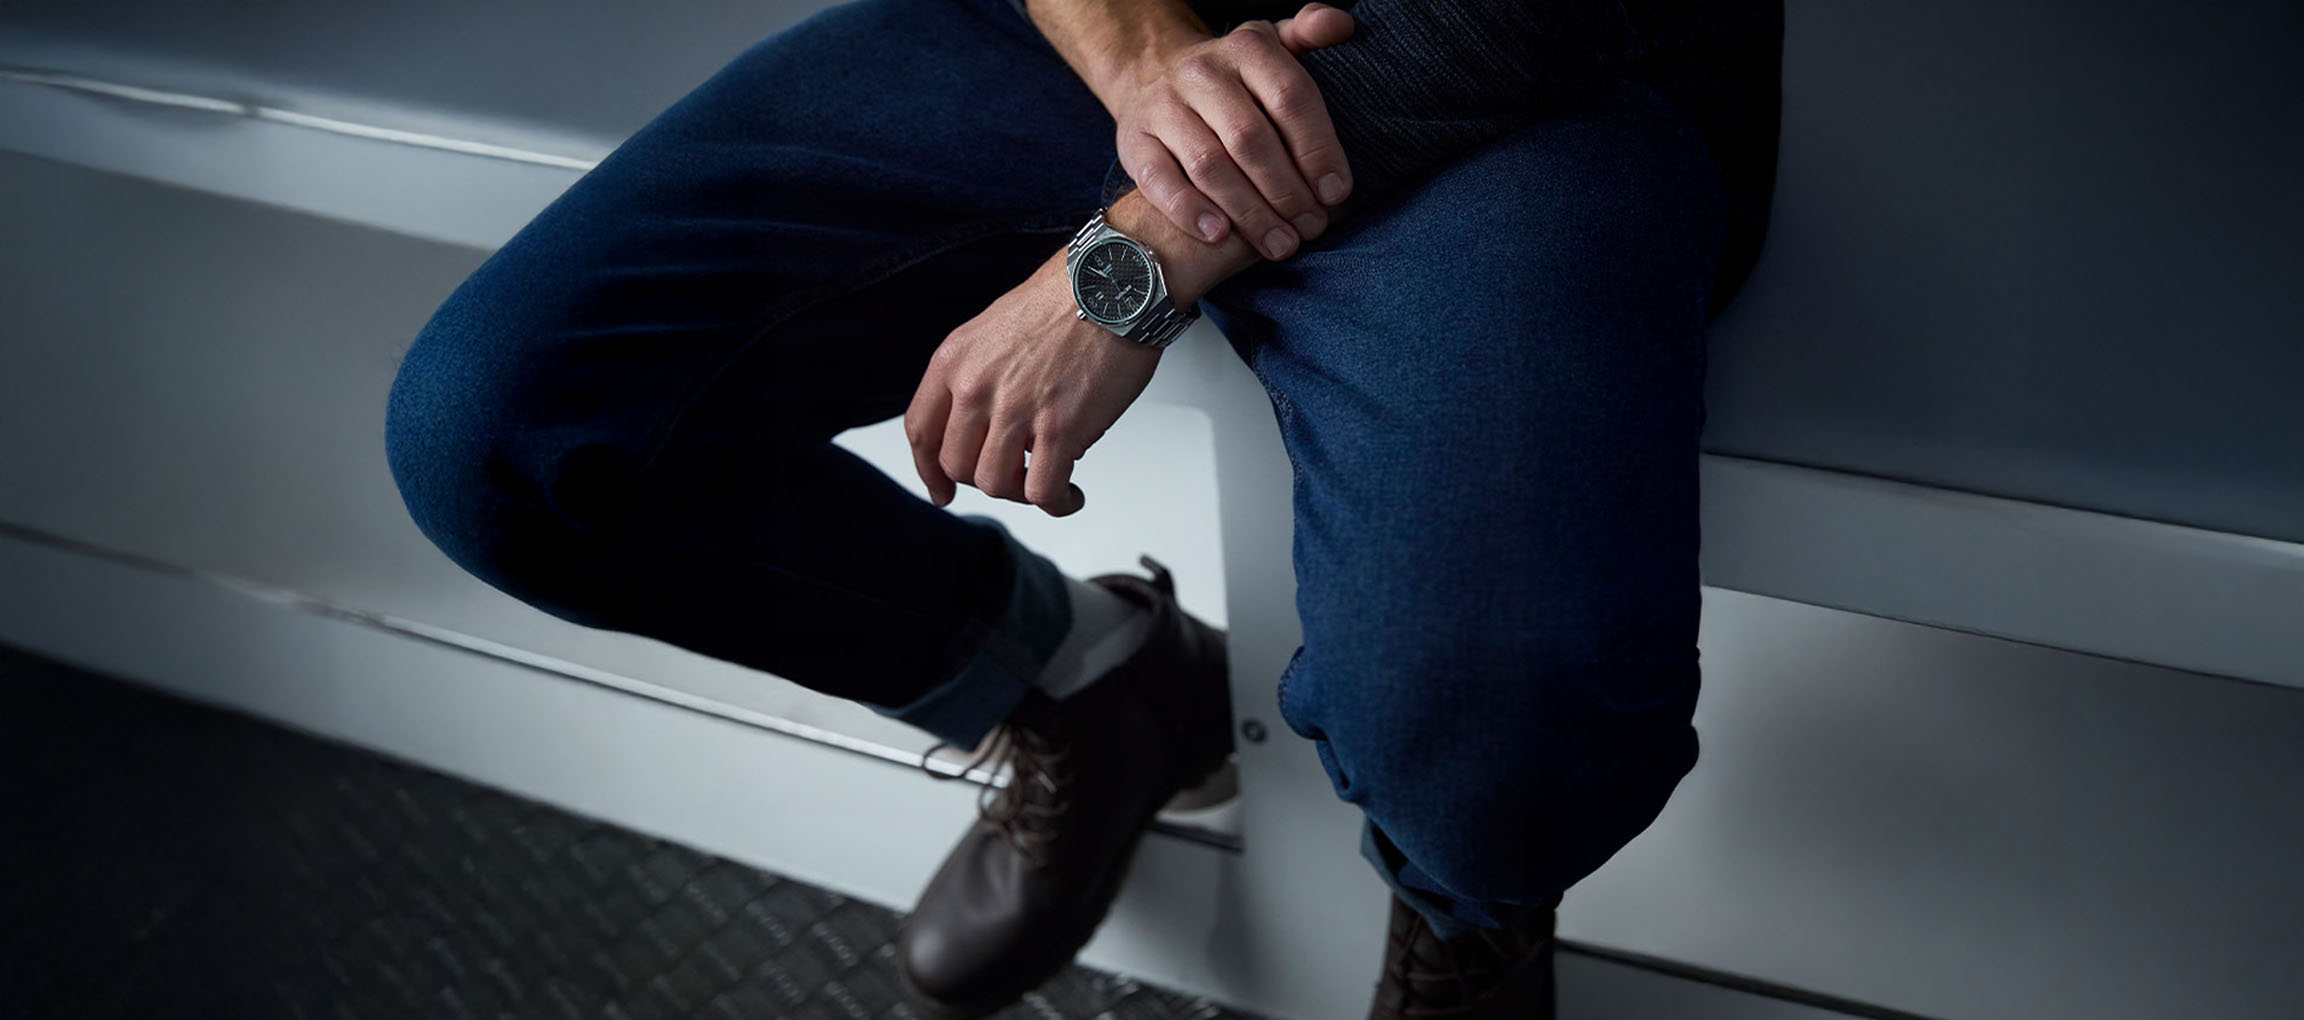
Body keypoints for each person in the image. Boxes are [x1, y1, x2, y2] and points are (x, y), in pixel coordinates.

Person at [381, 0, 1782, 1015]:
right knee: (503, 438)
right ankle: (1086, 683)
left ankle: (1466, 917)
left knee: (1497, 715)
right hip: (1097, 38)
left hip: (1519, 78)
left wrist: (1139, 251)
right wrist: (1144, 56)